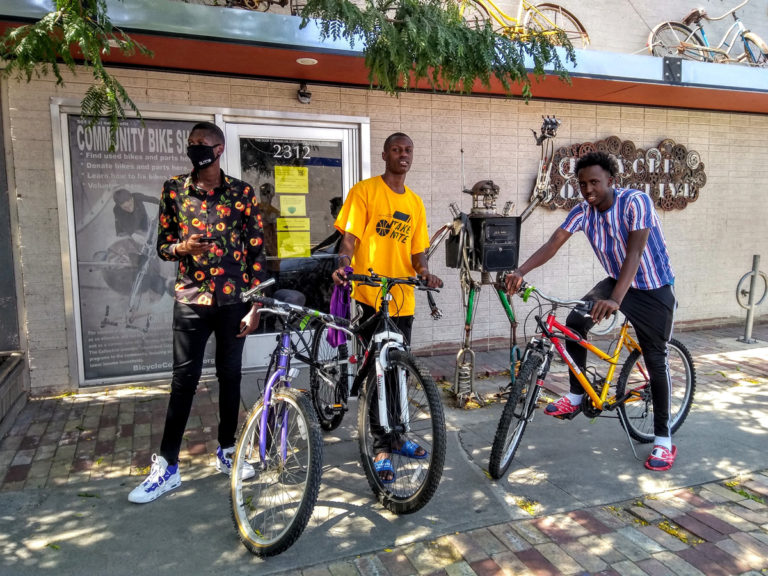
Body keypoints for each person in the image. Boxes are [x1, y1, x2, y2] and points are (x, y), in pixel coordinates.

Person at [505, 151, 678, 472]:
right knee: (574, 322)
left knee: (656, 360)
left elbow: (635, 252)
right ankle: (575, 395)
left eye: (595, 182)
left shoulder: (635, 202)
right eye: (582, 184)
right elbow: (554, 242)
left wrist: (615, 299)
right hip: (616, 282)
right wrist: (520, 271)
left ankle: (663, 439)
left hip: (653, 288)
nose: (588, 190)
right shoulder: (583, 211)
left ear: (611, 180)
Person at [129, 121, 267, 504]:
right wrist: (182, 248)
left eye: (201, 142)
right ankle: (168, 466)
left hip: (233, 301)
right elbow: (162, 245)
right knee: (183, 381)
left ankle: (227, 449)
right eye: (191, 142)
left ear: (219, 149)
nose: (194, 147)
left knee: (230, 376)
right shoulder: (174, 189)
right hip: (191, 298)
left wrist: (256, 305)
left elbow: (256, 250)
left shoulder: (241, 192)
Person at [331, 133, 442, 484]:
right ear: (384, 154)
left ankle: (398, 437)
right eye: (396, 149)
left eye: (408, 149)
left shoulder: (415, 202)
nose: (403, 154)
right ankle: (380, 446)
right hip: (370, 294)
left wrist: (424, 272)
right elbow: (349, 239)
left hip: (403, 298)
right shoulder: (364, 191)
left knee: (397, 371)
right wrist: (344, 264)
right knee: (378, 373)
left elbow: (418, 250)